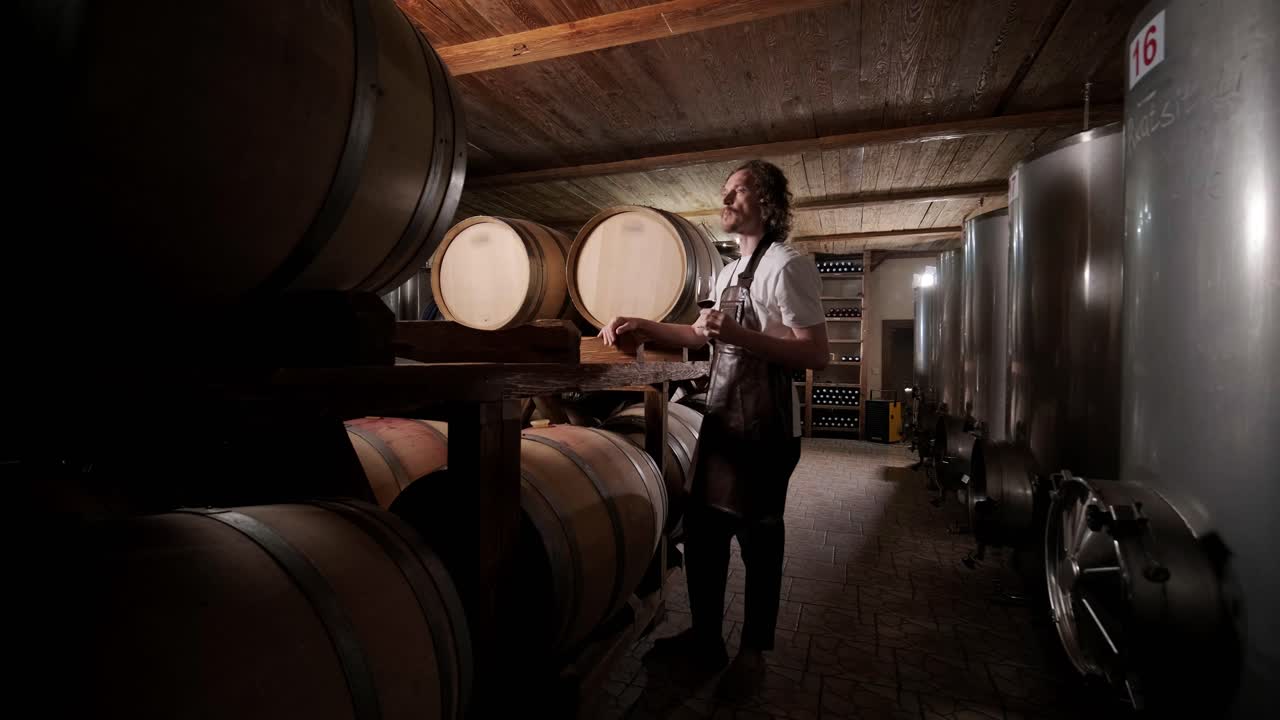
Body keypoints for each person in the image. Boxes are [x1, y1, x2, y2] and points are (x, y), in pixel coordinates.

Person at [601, 160, 829, 694]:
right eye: (724, 191)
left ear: (767, 203)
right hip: (724, 422)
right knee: (704, 538)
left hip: (767, 430)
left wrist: (740, 336)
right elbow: (700, 335)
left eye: (738, 191)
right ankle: (706, 639)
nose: (725, 199)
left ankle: (753, 654)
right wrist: (643, 324)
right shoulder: (728, 272)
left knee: (759, 543)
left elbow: (816, 353)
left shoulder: (788, 266)